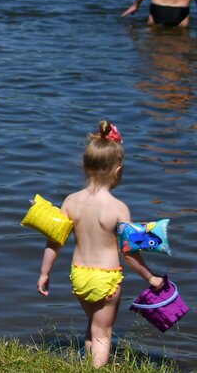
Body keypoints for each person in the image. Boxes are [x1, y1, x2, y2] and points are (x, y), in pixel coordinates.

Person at [36, 120, 164, 369]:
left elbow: (55, 240)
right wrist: (151, 278)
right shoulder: (118, 208)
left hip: (79, 276)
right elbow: (129, 254)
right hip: (106, 280)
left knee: (93, 326)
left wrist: (44, 272)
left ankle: (87, 365)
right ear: (117, 171)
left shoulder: (71, 201)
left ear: (85, 166)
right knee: (103, 334)